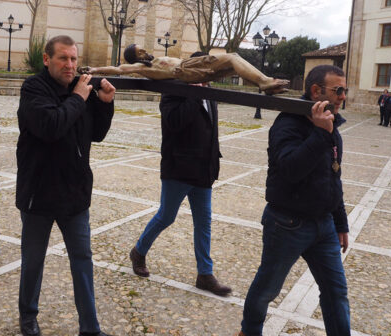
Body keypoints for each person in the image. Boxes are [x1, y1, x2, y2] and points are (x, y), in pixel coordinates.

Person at [238, 65, 350, 336]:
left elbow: (333, 175)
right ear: (316, 91)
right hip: (287, 223)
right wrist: (321, 134)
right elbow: (289, 169)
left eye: (344, 90)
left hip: (323, 225)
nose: (343, 96)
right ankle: (249, 332)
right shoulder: (287, 122)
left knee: (336, 292)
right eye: (338, 90)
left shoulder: (330, 124)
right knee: (267, 289)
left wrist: (340, 222)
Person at [16, 35, 116, 336]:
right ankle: (28, 316)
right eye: (63, 58)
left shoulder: (80, 92)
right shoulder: (33, 88)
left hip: (74, 194)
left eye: (73, 58)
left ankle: (90, 327)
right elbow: (50, 127)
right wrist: (79, 98)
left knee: (83, 260)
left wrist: (105, 104)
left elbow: (96, 134)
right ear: (47, 60)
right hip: (39, 193)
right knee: (33, 260)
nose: (70, 64)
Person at [128, 52, 231, 297]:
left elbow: (212, 130)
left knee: (204, 223)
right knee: (166, 216)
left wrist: (214, 164)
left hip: (204, 171)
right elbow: (174, 123)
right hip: (179, 169)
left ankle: (205, 274)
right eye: (204, 69)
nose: (208, 73)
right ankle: (139, 252)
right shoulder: (173, 89)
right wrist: (193, 93)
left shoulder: (210, 92)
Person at [78, 44, 289, 94]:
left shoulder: (152, 61)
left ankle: (264, 84)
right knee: (232, 57)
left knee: (231, 67)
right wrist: (94, 69)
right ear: (135, 56)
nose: (145, 52)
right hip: (187, 69)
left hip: (189, 67)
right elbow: (116, 70)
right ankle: (264, 82)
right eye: (141, 52)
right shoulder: (137, 67)